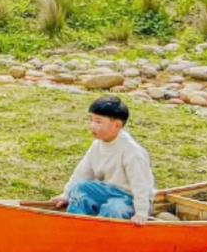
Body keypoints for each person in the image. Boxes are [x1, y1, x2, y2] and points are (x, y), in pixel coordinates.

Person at [52, 96, 154, 225]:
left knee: (113, 208)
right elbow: (82, 172)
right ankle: (76, 224)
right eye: (91, 120)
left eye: (99, 122)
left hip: (129, 198)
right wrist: (66, 194)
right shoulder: (97, 146)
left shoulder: (131, 151)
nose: (92, 126)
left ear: (117, 125)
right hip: (107, 191)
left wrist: (141, 212)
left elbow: (141, 184)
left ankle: (102, 235)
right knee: (80, 189)